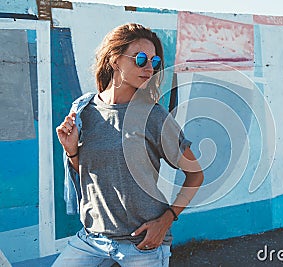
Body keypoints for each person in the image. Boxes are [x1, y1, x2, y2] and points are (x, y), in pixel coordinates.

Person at [53, 23, 204, 267]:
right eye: (141, 59)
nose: (148, 68)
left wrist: (166, 221)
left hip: (142, 244)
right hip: (92, 239)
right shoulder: (83, 111)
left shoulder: (153, 117)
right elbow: (89, 172)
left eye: (154, 62)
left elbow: (195, 174)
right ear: (114, 59)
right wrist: (72, 151)